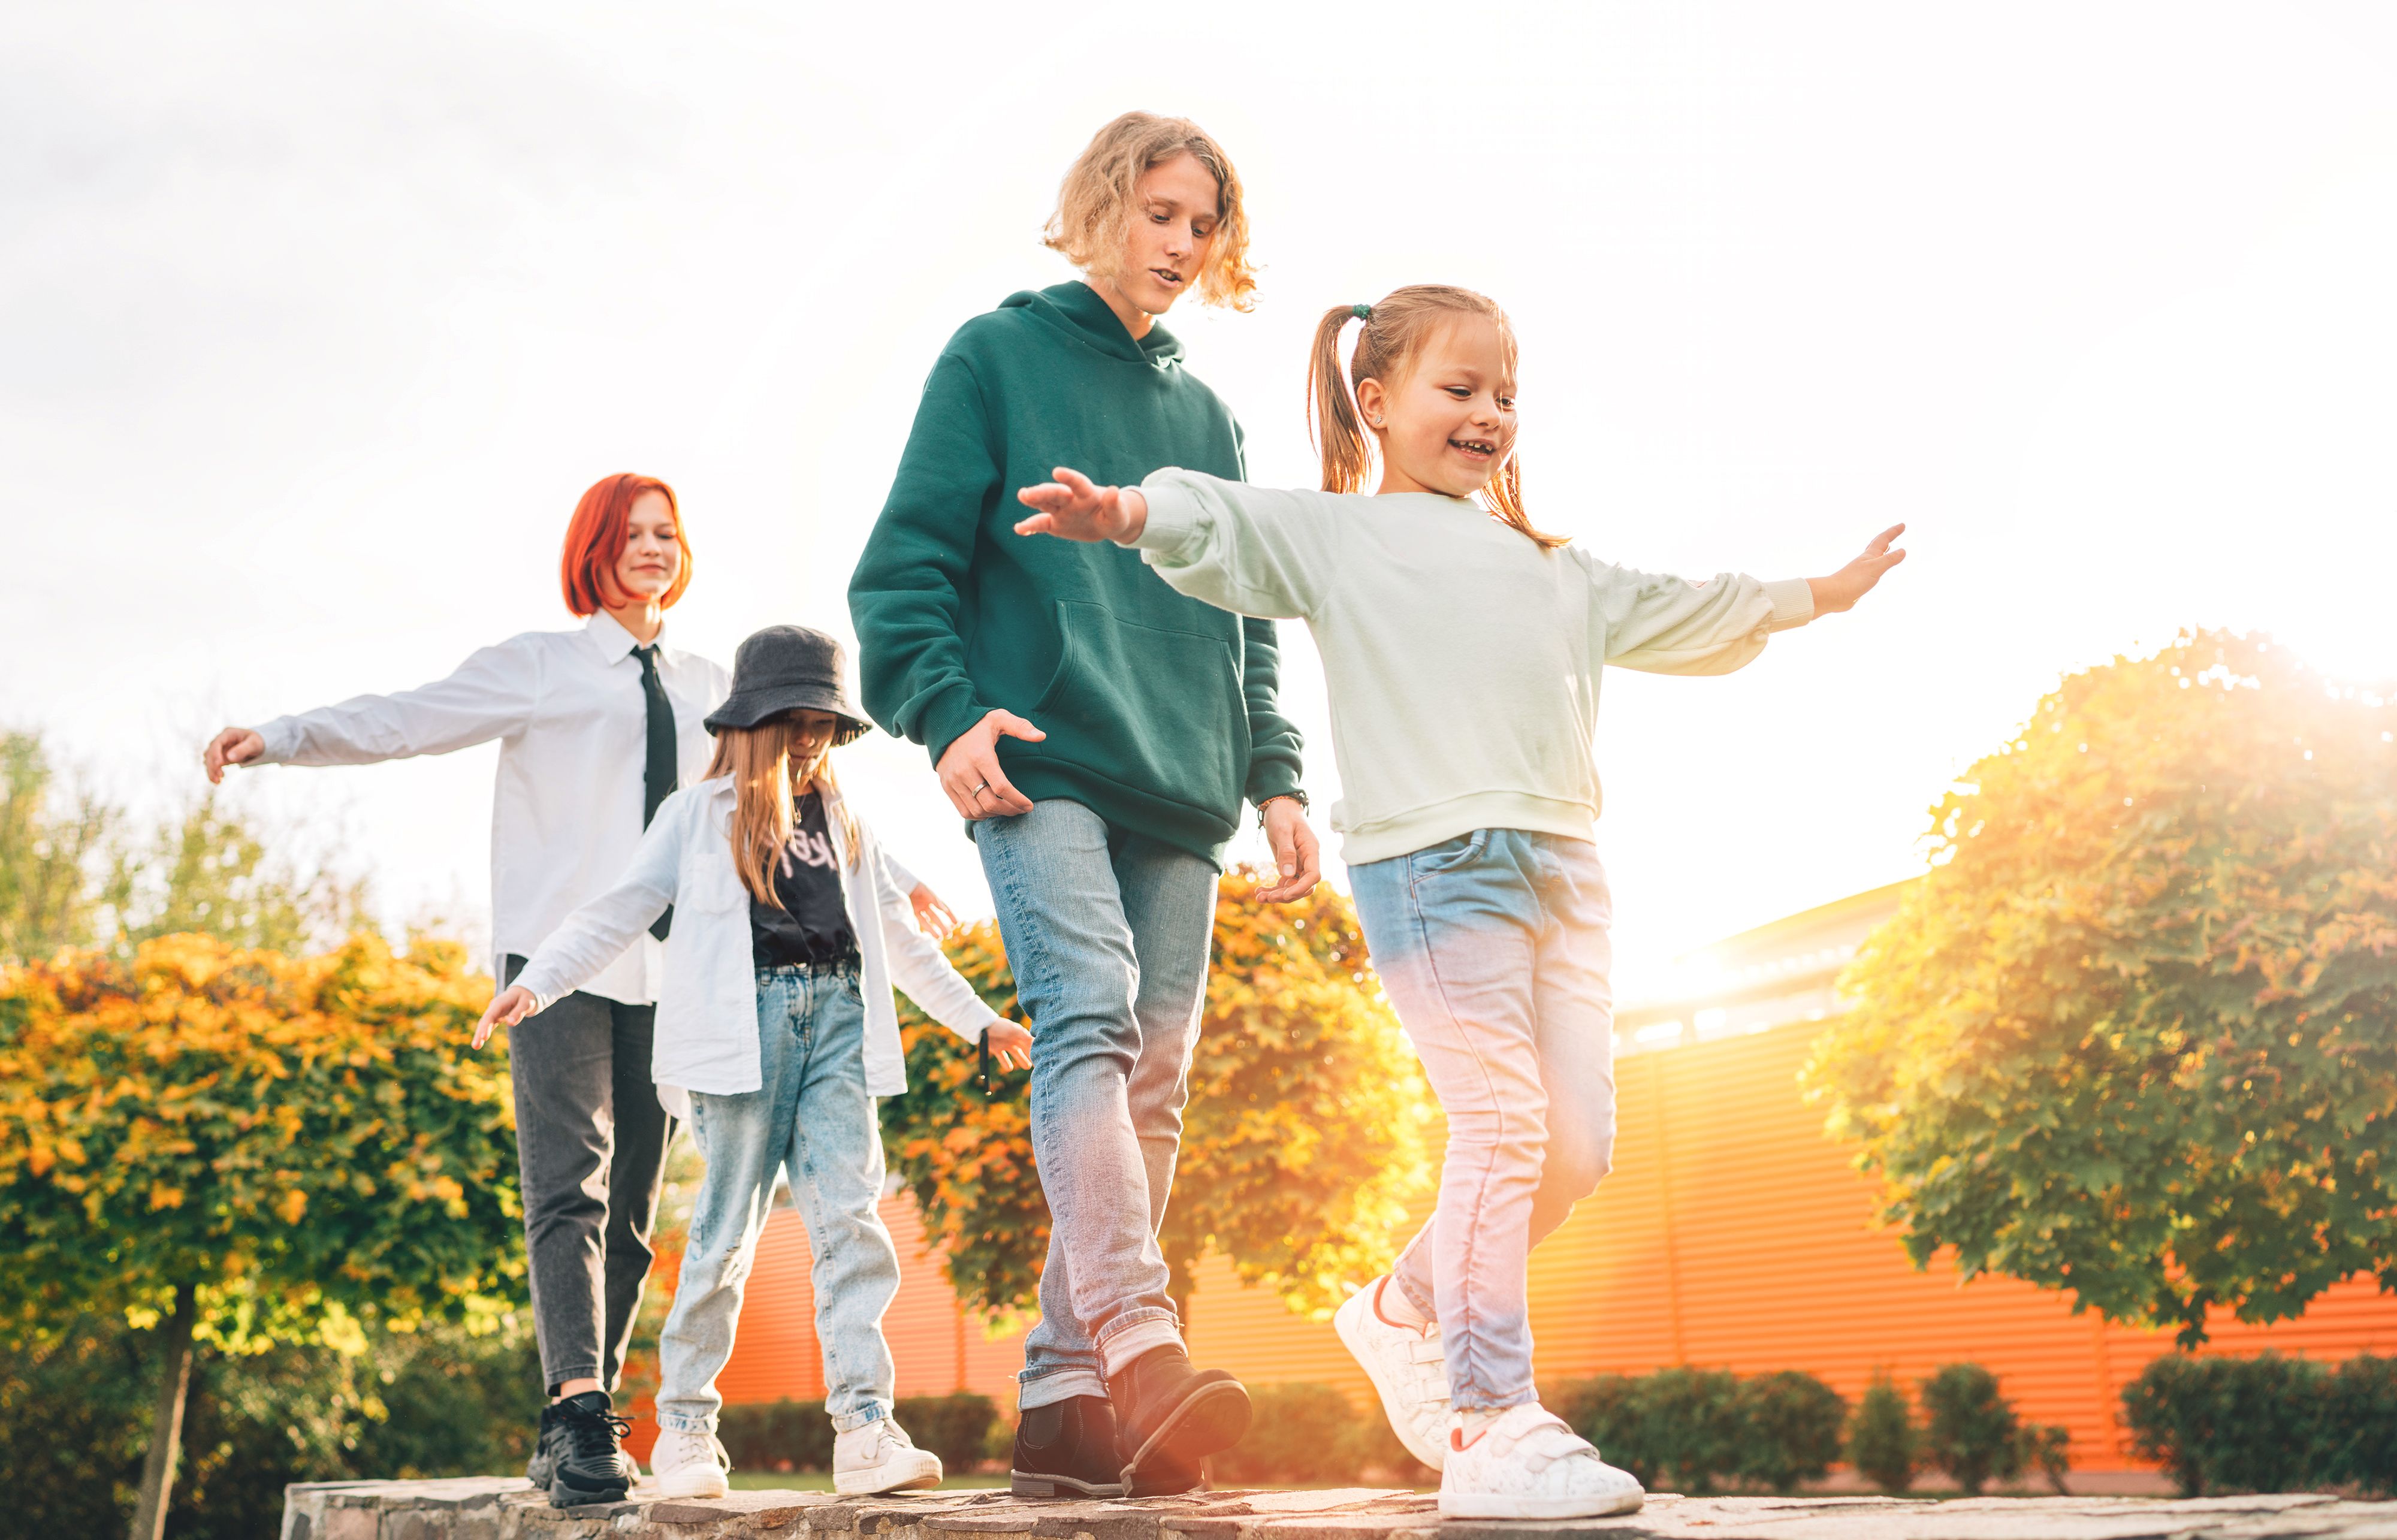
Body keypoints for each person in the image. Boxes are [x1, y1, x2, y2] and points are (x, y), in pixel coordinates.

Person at [1013, 284, 1907, 1520]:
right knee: (1498, 1122)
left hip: (1569, 875)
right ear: (1374, 402)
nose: (1489, 414)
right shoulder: (1339, 537)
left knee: (1576, 1145)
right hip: (1435, 872)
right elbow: (1220, 519)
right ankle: (1489, 1420)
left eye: (1505, 396)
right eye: (1460, 389)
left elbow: (1682, 605)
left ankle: (1400, 1307)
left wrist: (1812, 592)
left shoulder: (1551, 566)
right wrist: (1125, 513)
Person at [198, 473, 949, 1506]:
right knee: (570, 1183)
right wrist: (281, 738)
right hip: (556, 962)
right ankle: (578, 1406)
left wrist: (896, 880)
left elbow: (786, 798)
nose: (652, 548)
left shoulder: (706, 686)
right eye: (633, 532)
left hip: (680, 969)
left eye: (667, 533)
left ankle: (593, 1409)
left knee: (638, 1207)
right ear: (594, 547)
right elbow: (406, 719)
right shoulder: (542, 667)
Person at [847, 111, 1320, 1499]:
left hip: (1182, 780)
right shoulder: (994, 354)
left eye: (1201, 224)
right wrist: (941, 710)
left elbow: (1247, 610)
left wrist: (1277, 770)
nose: (1180, 245)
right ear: (1099, 207)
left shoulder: (1207, 416)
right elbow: (903, 565)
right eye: (1158, 213)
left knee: (1154, 1077)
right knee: (1090, 1017)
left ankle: (1062, 1398)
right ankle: (1136, 1337)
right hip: (1035, 754)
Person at [475, 625, 1033, 1500]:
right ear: (751, 723)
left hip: (841, 1020)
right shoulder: (696, 818)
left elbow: (900, 938)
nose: (809, 738)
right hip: (744, 1039)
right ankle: (689, 1429)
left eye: (824, 723)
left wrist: (979, 1020)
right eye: (794, 721)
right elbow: (619, 908)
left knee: (853, 1220)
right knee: (725, 1232)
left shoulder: (848, 820)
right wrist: (539, 982)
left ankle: (864, 1427)